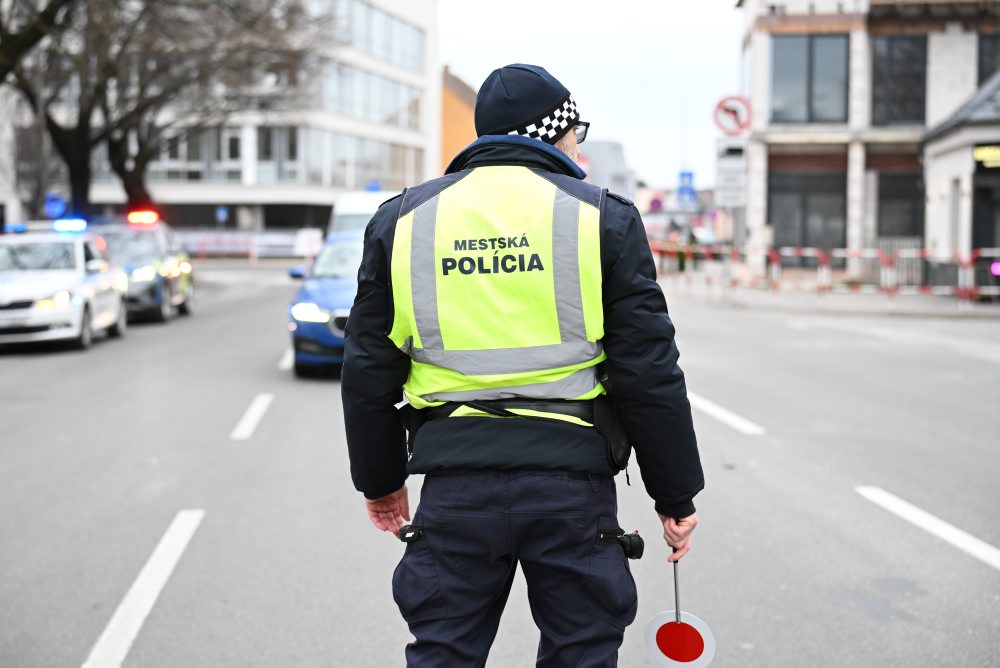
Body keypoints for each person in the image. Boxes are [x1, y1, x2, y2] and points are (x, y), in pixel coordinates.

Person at [342, 63, 704, 667]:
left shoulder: (403, 221)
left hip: (456, 487)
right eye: (575, 133)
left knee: (444, 653)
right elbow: (649, 371)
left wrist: (381, 483)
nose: (579, 150)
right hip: (571, 490)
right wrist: (675, 493)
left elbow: (367, 371)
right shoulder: (604, 219)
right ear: (552, 134)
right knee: (581, 652)